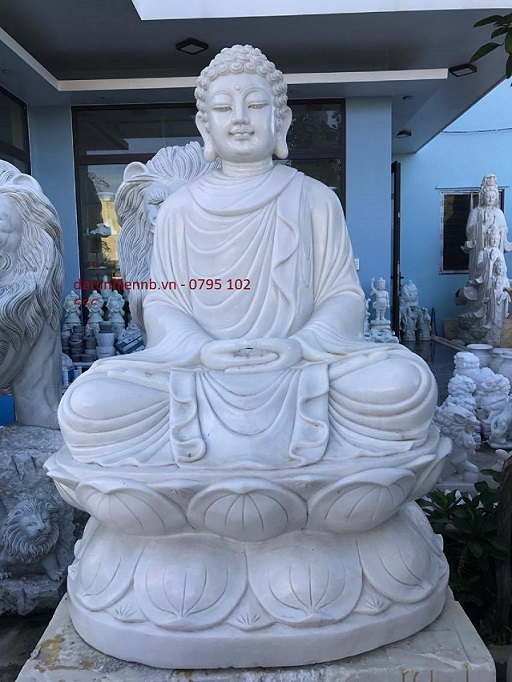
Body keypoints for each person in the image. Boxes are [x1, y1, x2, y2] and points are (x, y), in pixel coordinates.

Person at [58, 45, 437, 468]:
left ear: (281, 120)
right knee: (86, 403)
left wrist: (299, 345)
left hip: (298, 369)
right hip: (201, 374)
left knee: (406, 383)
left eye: (255, 105)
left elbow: (343, 297)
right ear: (206, 125)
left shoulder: (315, 199)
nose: (240, 118)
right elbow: (164, 303)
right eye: (224, 108)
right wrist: (202, 350)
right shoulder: (179, 209)